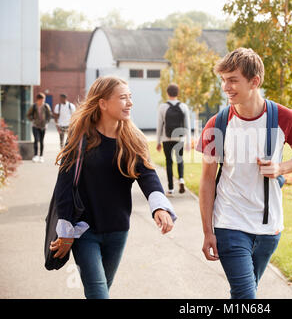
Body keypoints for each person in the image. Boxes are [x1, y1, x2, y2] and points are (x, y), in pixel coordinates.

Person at [196, 48, 292, 299]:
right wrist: (208, 231)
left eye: (233, 80)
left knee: (246, 292)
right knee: (245, 295)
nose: (226, 87)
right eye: (224, 80)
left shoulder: (284, 118)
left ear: (254, 81)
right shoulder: (216, 124)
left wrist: (280, 168)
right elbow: (206, 180)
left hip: (269, 228)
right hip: (229, 222)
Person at [49, 76, 177, 299]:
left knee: (100, 290)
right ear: (103, 103)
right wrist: (67, 231)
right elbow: (64, 186)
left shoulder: (132, 139)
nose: (130, 103)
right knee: (99, 293)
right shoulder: (80, 138)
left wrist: (159, 207)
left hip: (118, 231)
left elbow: (148, 175)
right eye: (123, 98)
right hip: (84, 231)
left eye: (130, 97)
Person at [156, 83, 191, 196]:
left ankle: (170, 188)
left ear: (167, 93)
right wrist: (188, 142)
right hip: (179, 138)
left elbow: (159, 126)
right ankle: (181, 179)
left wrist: (158, 142)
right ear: (178, 93)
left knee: (169, 162)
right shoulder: (184, 107)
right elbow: (187, 126)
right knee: (180, 159)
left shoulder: (162, 107)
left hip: (167, 138)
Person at [26, 93, 52, 163]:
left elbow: (49, 115)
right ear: (38, 100)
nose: (42, 101)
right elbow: (28, 115)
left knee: (41, 141)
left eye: (43, 99)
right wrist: (33, 120)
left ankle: (41, 156)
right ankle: (35, 155)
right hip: (35, 126)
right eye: (41, 100)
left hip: (43, 126)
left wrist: (47, 122)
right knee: (36, 140)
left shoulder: (46, 106)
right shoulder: (34, 106)